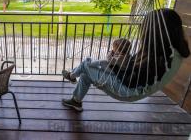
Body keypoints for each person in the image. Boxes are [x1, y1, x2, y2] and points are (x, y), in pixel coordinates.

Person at [61, 9, 190, 112]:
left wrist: (115, 65)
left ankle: (72, 76)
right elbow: (135, 69)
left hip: (126, 90)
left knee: (86, 64)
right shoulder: (167, 51)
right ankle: (76, 101)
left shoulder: (160, 58)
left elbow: (130, 81)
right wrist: (119, 63)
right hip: (127, 81)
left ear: (155, 31)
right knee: (85, 73)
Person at [62, 38, 132, 84]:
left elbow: (109, 59)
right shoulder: (126, 56)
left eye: (114, 49)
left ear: (119, 50)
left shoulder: (121, 58)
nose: (113, 50)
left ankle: (72, 76)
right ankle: (72, 74)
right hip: (114, 70)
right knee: (86, 64)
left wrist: (111, 52)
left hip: (113, 72)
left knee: (99, 62)